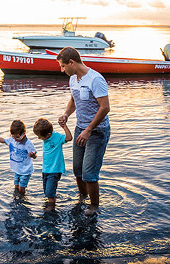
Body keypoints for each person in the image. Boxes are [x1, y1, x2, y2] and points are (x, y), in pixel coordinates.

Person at [57, 47, 111, 216]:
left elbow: (105, 108)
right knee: (77, 169)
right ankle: (82, 198)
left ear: (71, 62)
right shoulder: (73, 79)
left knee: (89, 173)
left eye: (63, 66)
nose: (62, 70)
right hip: (80, 128)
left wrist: (89, 130)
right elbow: (74, 99)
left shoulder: (96, 79)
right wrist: (66, 114)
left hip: (97, 131)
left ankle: (94, 205)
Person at [33, 118, 72, 211]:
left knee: (49, 193)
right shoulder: (45, 137)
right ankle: (52, 200)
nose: (39, 138)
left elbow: (69, 138)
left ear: (48, 134)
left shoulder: (57, 137)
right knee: (47, 192)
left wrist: (64, 127)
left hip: (55, 170)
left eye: (40, 137)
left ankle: (51, 207)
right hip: (46, 170)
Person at [0, 120, 37, 196]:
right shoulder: (12, 140)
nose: (15, 139)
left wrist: (33, 155)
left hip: (25, 171)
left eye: (17, 137)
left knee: (21, 188)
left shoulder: (28, 143)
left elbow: (35, 156)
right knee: (16, 187)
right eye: (13, 136)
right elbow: (3, 140)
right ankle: (16, 198)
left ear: (24, 134)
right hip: (17, 169)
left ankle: (22, 198)